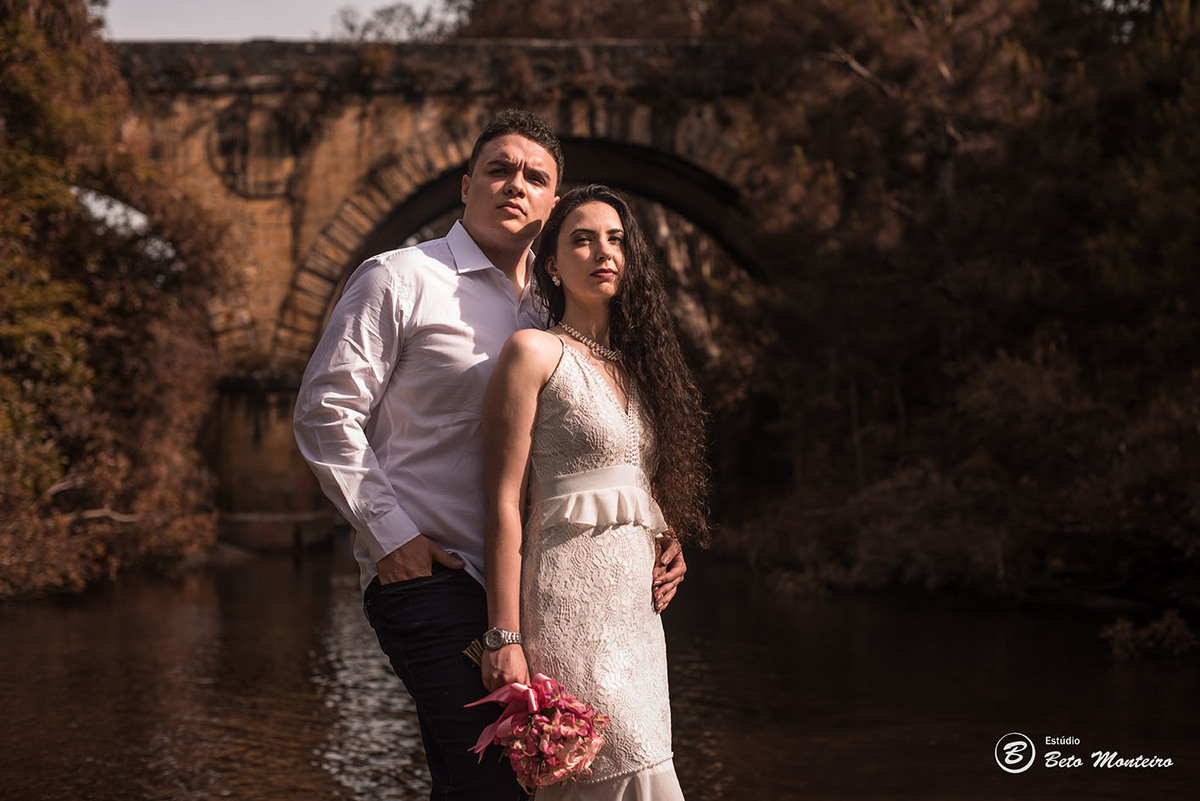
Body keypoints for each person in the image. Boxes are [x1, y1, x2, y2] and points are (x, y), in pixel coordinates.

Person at [293, 112, 689, 801]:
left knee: (505, 776)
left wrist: (657, 527)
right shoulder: (399, 278)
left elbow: (589, 439)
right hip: (435, 575)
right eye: (500, 169)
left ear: (552, 202)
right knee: (496, 780)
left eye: (536, 177)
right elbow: (325, 412)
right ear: (466, 182)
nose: (516, 185)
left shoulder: (552, 306)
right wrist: (394, 539)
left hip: (539, 586)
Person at [480, 184, 709, 800]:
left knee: (646, 752)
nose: (602, 251)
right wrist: (505, 636)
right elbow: (503, 501)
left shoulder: (642, 368)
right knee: (602, 766)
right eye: (581, 239)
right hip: (565, 600)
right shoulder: (533, 352)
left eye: (615, 239)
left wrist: (668, 539)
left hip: (635, 612)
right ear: (551, 262)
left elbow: (636, 483)